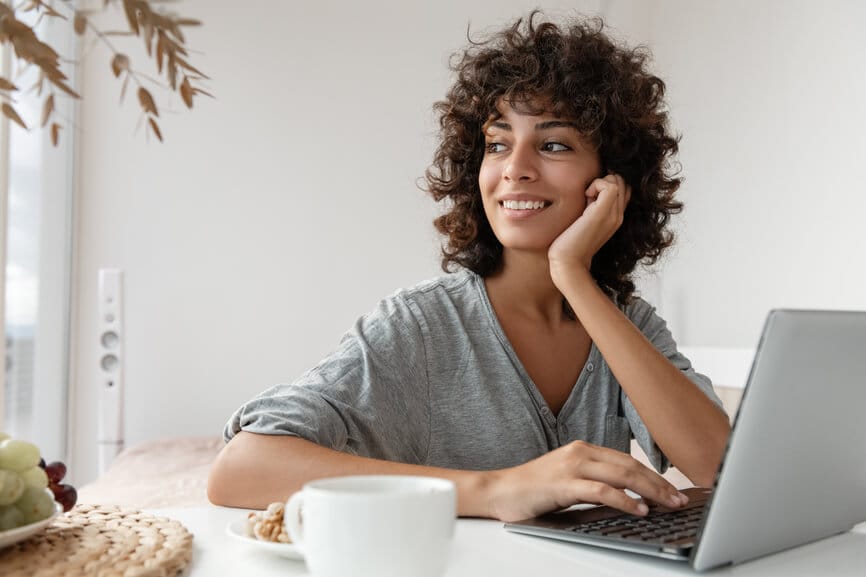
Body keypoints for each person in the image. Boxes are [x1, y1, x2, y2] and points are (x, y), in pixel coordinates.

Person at [207, 12, 731, 522]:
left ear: (610, 182)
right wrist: (496, 489)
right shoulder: (421, 326)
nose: (515, 169)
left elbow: (717, 464)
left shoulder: (627, 325)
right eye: (497, 144)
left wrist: (572, 274)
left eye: (553, 144)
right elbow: (240, 467)